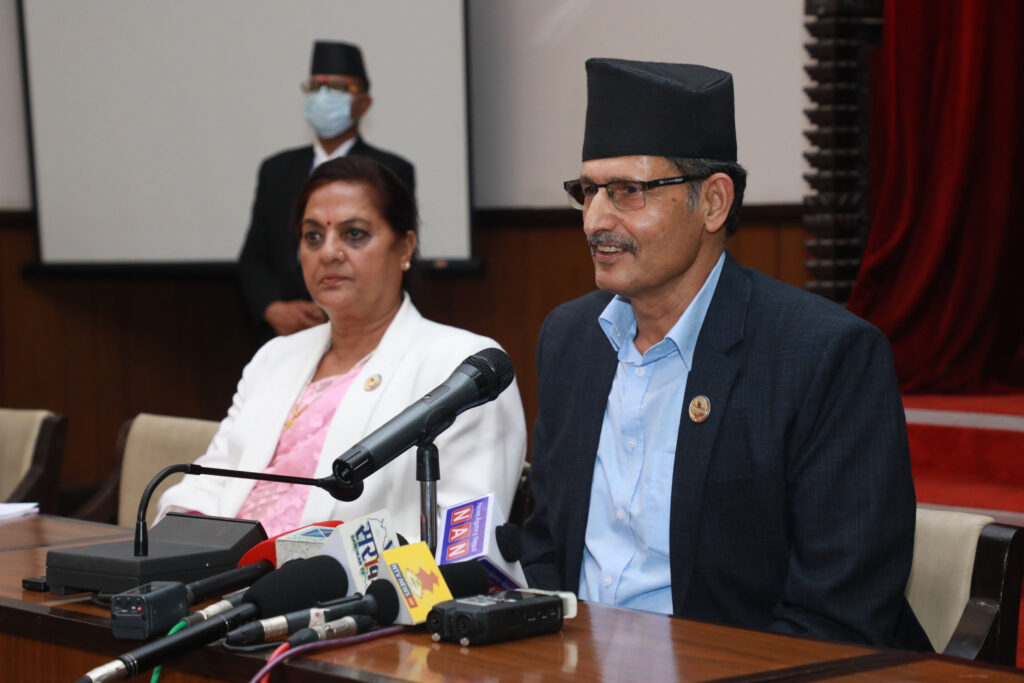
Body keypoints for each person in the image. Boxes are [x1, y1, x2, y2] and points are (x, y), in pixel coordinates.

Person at [520, 58, 931, 650]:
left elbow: (839, 612)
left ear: (713, 202)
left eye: (628, 192)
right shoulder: (571, 339)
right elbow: (545, 545)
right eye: (588, 192)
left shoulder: (823, 355)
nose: (595, 221)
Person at [161, 156, 525, 539]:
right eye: (313, 236)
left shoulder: (463, 369)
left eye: (354, 234)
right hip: (225, 570)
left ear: (404, 248)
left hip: (350, 576)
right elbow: (211, 479)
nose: (328, 252)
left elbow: (463, 537)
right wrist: (183, 550)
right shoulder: (274, 357)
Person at [239, 40, 415, 342]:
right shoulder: (276, 170)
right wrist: (273, 308)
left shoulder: (389, 170)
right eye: (314, 87)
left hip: (365, 330)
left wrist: (335, 306)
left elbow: (392, 254)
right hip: (286, 334)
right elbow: (254, 257)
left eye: (336, 88)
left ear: (364, 103)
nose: (322, 97)